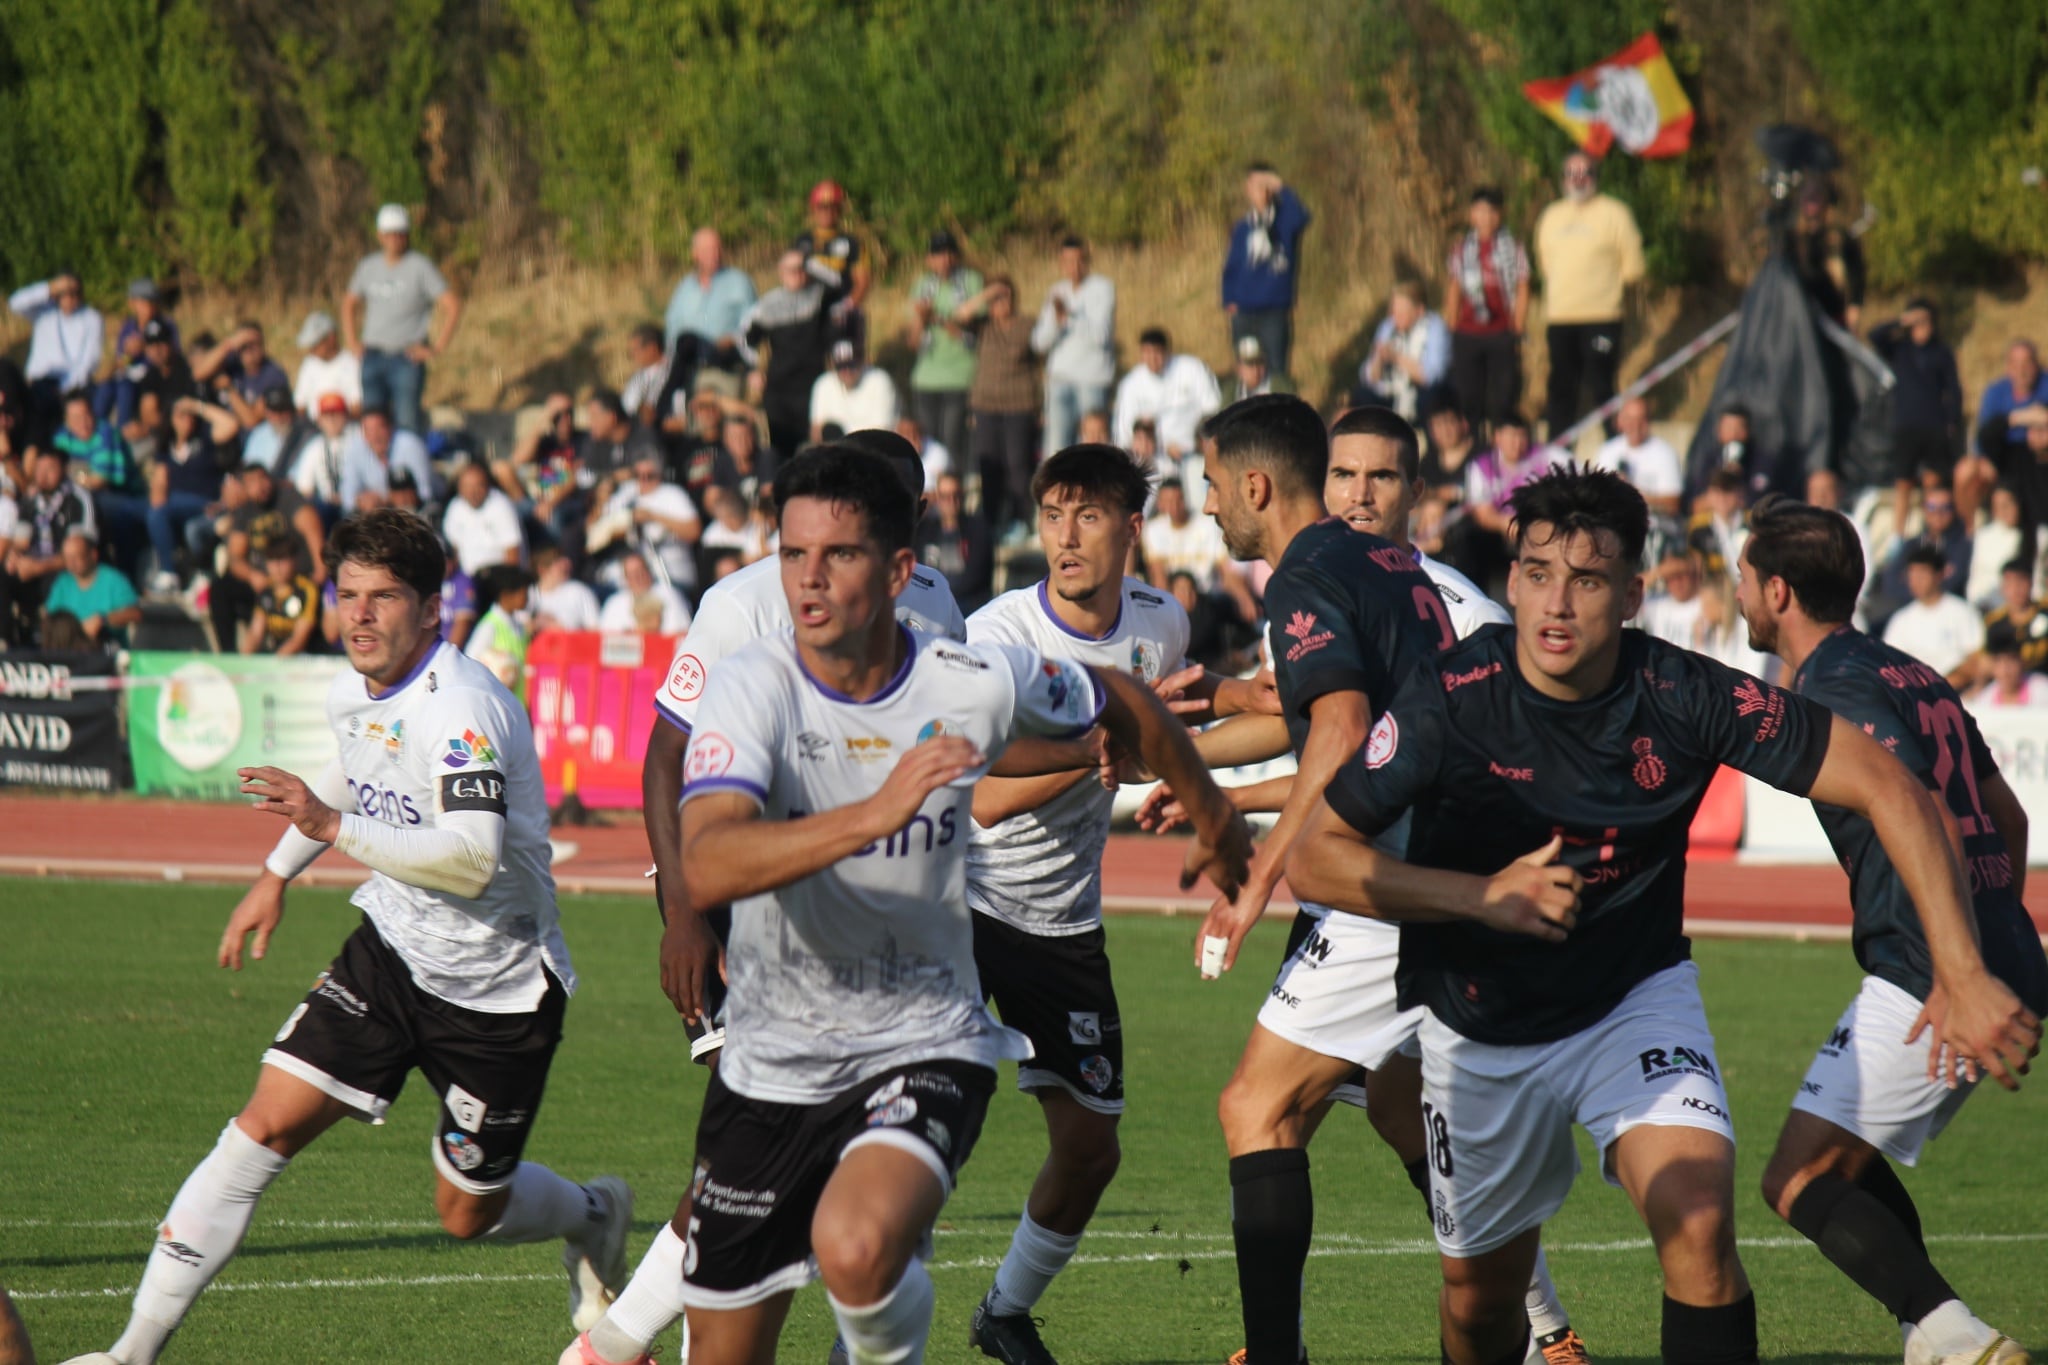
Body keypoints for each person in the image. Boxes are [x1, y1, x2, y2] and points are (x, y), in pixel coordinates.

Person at [1285, 465, 2031, 1365]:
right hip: (1478, 1022)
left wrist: (1960, 970)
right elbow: (1315, 854)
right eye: (1536, 573)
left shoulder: (1685, 692)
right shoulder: (1451, 695)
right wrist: (1480, 897)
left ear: (1634, 593)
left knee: (1701, 1220)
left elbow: (1893, 788)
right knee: (1481, 1305)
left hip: (1634, 998)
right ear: (1513, 578)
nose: (1556, 603)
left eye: (1588, 580)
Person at [615, 444, 1247, 1365]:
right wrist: (875, 812)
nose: (808, 580)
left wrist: (1215, 814)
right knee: (725, 1346)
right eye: (794, 556)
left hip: (924, 1038)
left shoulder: (966, 677)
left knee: (857, 1242)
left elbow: (1121, 699)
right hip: (774, 1059)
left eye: (838, 556)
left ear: (900, 569)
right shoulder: (753, 684)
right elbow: (706, 863)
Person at [65, 509, 633, 1365]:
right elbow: (352, 763)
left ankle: (593, 1215)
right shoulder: (351, 688)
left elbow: (474, 859)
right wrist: (274, 873)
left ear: (433, 610)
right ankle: (130, 1352)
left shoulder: (465, 708)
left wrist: (329, 826)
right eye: (348, 595)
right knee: (261, 1126)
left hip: (497, 988)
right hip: (392, 950)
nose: (360, 616)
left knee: (466, 1212)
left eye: (384, 598)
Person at [1143, 406, 1582, 1365]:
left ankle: (1278, 1354)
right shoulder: (1388, 566)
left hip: (1396, 872)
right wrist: (1200, 760)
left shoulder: (1309, 570)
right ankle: (1535, 1326)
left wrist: (1256, 874)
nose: (1207, 506)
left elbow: (1339, 734)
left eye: (1213, 485)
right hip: (1448, 858)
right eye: (1348, 473)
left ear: (1255, 487)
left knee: (1256, 1107)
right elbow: (1334, 721)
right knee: (1396, 1101)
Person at [576, 434, 968, 1365]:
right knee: (751, 1166)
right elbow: (667, 752)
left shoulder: (939, 601)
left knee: (868, 1185)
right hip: (746, 912)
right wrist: (681, 911)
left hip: (890, 933)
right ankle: (614, 1348)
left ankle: (617, 1349)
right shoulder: (744, 602)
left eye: (897, 510)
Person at [1733, 496, 2044, 1365]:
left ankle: (1960, 1337)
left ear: (1780, 592)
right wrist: (1992, 933)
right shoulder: (1912, 670)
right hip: (1983, 952)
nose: (1740, 594)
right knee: (1846, 1154)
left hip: (1931, 967)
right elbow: (2006, 818)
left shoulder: (1833, 686)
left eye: (1746, 579)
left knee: (1794, 1179)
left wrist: (1958, 969)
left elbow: (1937, 821)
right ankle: (1930, 1333)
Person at [958, 442, 1248, 1361]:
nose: (1065, 537)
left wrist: (1208, 747)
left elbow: (1166, 719)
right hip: (959, 910)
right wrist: (1100, 749)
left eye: (1087, 516)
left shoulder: (1160, 624)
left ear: (1132, 527)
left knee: (1091, 1149)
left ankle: (1002, 1312)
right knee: (919, 1135)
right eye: (1051, 514)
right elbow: (985, 795)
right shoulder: (1000, 634)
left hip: (1062, 927)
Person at [1533, 152, 1645, 440]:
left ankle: (1615, 446)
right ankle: (1557, 451)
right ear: (1562, 179)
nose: (1578, 179)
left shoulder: (1615, 213)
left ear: (1596, 177)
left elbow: (1633, 267)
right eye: (1571, 173)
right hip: (1561, 317)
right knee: (1561, 386)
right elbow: (1545, 262)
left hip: (1602, 316)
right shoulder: (1551, 216)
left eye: (1585, 173)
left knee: (1601, 383)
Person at [343, 203, 462, 434]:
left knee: (406, 423)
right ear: (380, 236)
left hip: (406, 359)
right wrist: (352, 342)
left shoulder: (420, 267)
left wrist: (436, 347)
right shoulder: (368, 267)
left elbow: (452, 305)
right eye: (390, 234)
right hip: (373, 356)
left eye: (400, 233)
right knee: (373, 423)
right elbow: (349, 303)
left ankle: (406, 468)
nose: (395, 239)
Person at [1870, 300, 1966, 537]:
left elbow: (1953, 389)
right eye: (1919, 322)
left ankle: (1932, 530)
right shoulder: (1900, 349)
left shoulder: (1942, 352)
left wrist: (1952, 421)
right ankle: (1898, 535)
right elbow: (1875, 336)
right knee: (1903, 482)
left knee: (1933, 481)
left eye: (1927, 321)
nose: (1923, 326)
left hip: (1934, 426)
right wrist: (1903, 321)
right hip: (1906, 426)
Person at [211, 460, 324, 653]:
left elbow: (312, 529)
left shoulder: (287, 498)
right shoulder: (245, 511)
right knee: (220, 589)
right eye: (252, 482)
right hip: (266, 580)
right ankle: (229, 655)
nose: (260, 486)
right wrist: (252, 576)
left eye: (263, 479)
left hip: (297, 577)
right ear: (245, 488)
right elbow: (235, 557)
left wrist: (320, 571)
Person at [957, 275, 1039, 538]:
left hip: (1020, 404)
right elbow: (961, 315)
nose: (1000, 303)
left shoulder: (1027, 325)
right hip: (985, 405)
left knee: (1017, 465)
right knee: (988, 466)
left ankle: (1021, 520)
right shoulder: (983, 326)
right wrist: (987, 294)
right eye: (996, 299)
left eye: (1005, 297)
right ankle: (990, 522)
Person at [1444, 188, 1530, 434]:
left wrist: (1518, 327)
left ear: (1500, 214)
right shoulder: (1462, 248)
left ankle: (1500, 444)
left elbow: (1522, 285)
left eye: (1492, 211)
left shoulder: (1512, 247)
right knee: (1468, 396)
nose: (1486, 217)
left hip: (1501, 330)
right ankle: (1473, 446)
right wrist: (1452, 323)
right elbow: (1454, 286)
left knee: (1503, 396)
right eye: (1480, 211)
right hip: (1468, 331)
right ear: (1472, 214)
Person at [1221, 164, 1311, 381]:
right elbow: (1232, 267)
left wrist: (1279, 186)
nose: (1256, 190)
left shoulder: (1285, 221)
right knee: (1246, 368)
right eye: (1253, 185)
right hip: (1243, 310)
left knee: (1276, 368)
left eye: (1261, 185)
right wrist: (1229, 299)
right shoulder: (1243, 226)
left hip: (1273, 310)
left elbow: (1302, 217)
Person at [742, 250, 834, 457]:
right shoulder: (767, 305)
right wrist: (753, 370)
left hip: (813, 385)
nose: (798, 274)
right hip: (779, 389)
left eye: (801, 269)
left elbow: (841, 283)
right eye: (791, 270)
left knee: (812, 450)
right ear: (781, 273)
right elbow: (746, 339)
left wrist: (813, 264)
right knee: (781, 451)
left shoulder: (820, 297)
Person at [1032, 237, 1118, 459]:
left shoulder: (1102, 288)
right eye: (1068, 261)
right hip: (1060, 379)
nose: (1074, 267)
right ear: (1061, 263)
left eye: (1080, 261)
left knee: (1092, 447)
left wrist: (1070, 316)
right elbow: (1039, 342)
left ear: (1087, 261)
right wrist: (1056, 320)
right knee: (1056, 449)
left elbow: (1102, 335)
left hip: (1091, 380)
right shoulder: (1056, 291)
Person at [1, 449, 94, 646]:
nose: (42, 475)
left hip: (63, 568)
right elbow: (20, 541)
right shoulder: (31, 501)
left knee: (59, 581)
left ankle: (57, 641)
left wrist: (38, 567)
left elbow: (80, 551)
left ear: (64, 470)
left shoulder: (78, 499)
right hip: (33, 567)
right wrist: (14, 559)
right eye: (39, 469)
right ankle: (5, 639)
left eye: (50, 469)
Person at [907, 230, 984, 462]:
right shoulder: (922, 285)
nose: (944, 259)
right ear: (929, 259)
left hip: (960, 375)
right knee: (927, 444)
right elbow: (913, 342)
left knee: (953, 441)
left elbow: (971, 330)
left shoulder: (971, 281)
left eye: (949, 253)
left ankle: (953, 491)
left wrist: (937, 318)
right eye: (938, 254)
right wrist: (921, 318)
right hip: (926, 377)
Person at [147, 397, 237, 592]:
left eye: (190, 415)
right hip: (176, 506)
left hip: (206, 501)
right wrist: (158, 491)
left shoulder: (204, 441)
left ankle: (182, 572)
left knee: (179, 520)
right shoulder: (166, 450)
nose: (186, 419)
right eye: (180, 415)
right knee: (157, 514)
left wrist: (197, 406)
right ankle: (168, 572)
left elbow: (231, 425)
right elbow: (159, 487)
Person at [591, 452, 700, 595]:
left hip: (670, 570)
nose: (643, 480)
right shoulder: (626, 495)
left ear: (659, 474)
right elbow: (595, 530)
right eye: (638, 475)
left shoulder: (672, 494)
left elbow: (694, 531)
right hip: (635, 570)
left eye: (649, 476)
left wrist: (652, 516)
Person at [10, 270, 104, 431]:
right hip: (41, 382)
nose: (70, 298)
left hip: (74, 385)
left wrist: (65, 389)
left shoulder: (91, 318)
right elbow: (15, 303)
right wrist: (49, 288)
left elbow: (89, 360)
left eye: (74, 293)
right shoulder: (43, 313)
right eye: (65, 293)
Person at [1112, 328, 1221, 463]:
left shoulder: (1192, 369)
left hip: (1193, 453)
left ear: (1167, 351)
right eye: (1147, 353)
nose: (1152, 359)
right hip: (1152, 458)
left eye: (1157, 352)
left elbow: (1212, 409)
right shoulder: (1131, 384)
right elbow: (1124, 431)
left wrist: (1196, 444)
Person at [663, 227, 756, 387]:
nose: (714, 254)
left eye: (717, 248)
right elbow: (672, 326)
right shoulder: (684, 287)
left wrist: (734, 338)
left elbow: (754, 324)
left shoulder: (739, 282)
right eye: (707, 250)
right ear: (695, 254)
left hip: (724, 366)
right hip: (689, 368)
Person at [1353, 281, 1452, 424]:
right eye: (1394, 312)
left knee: (1430, 398)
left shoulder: (1435, 328)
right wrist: (1379, 360)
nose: (1395, 318)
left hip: (1422, 390)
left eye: (1401, 313)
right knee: (1363, 395)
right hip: (1391, 387)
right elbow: (1368, 376)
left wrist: (1396, 357)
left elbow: (1431, 376)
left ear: (1419, 310)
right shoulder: (1387, 326)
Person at [1882, 544, 1985, 682]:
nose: (1916, 581)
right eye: (1912, 574)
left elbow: (1976, 659)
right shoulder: (1901, 619)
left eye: (1922, 574)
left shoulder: (1962, 611)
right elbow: (1890, 663)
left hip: (1955, 690)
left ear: (1939, 575)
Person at [794, 180, 870, 343]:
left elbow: (862, 282)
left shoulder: (852, 243)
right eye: (822, 206)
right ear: (813, 208)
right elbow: (790, 278)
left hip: (841, 314)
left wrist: (846, 307)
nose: (827, 212)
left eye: (833, 206)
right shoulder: (801, 242)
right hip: (809, 313)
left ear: (840, 210)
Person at [42, 527, 141, 650]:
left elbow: (135, 614)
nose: (71, 564)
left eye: (77, 557)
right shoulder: (63, 582)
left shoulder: (114, 580)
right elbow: (49, 616)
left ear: (93, 555)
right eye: (67, 558)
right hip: (67, 650)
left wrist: (103, 620)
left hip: (104, 649)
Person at [915, 469, 994, 615]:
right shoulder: (924, 531)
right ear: (937, 498)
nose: (951, 502)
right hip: (929, 605)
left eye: (955, 495)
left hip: (966, 607)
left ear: (962, 497)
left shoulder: (978, 530)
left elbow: (975, 578)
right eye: (945, 497)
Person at [1590, 396, 1683, 517]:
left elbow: (1673, 504)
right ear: (1620, 421)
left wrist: (1631, 493)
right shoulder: (1607, 451)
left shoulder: (1665, 454)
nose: (1635, 425)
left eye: (1641, 419)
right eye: (1630, 419)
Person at [1789, 182, 1865, 330]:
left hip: (1834, 310)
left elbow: (1857, 272)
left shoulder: (1839, 238)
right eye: (1808, 201)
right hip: (1801, 312)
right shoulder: (1794, 241)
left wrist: (1855, 304)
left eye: (1815, 201)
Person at [340, 406, 437, 512]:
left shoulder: (411, 445)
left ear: (391, 427)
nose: (375, 436)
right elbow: (347, 495)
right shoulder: (355, 448)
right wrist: (360, 500)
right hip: (376, 512)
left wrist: (385, 500)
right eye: (368, 430)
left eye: (379, 428)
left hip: (413, 510)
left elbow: (425, 492)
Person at [193, 322, 290, 427]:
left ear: (263, 345)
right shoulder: (232, 362)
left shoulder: (273, 375)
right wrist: (228, 345)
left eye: (254, 345)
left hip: (252, 438)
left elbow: (252, 421)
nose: (249, 350)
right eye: (244, 345)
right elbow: (197, 374)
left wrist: (229, 390)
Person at [1141, 479, 1229, 593]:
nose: (1173, 507)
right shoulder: (1153, 530)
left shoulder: (1209, 525)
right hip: (1172, 597)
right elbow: (1159, 577)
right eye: (1167, 501)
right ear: (1160, 504)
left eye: (1178, 500)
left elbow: (1226, 570)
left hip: (1206, 596)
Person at [241, 535, 321, 656]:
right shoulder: (266, 592)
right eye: (272, 560)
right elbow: (255, 633)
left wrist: (275, 666)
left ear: (294, 560)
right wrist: (243, 659)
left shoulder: (306, 590)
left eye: (282, 559)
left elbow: (299, 640)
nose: (277, 567)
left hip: (306, 656)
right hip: (277, 655)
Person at [443, 460, 526, 576]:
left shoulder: (501, 506)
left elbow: (513, 554)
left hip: (498, 575)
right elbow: (456, 547)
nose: (472, 492)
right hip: (469, 579)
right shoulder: (455, 508)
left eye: (478, 486)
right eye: (467, 486)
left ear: (487, 485)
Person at [466, 562, 536, 699]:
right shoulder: (489, 626)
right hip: (500, 704)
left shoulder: (520, 626)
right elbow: (471, 659)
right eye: (524, 593)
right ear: (506, 595)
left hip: (518, 705)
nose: (527, 598)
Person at [809, 340, 898, 443]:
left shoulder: (880, 380)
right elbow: (816, 432)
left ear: (862, 361)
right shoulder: (823, 384)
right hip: (836, 451)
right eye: (840, 366)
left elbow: (882, 432)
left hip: (873, 451)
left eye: (851, 364)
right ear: (833, 366)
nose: (846, 371)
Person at [596, 549, 691, 635]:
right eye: (631, 574)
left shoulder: (669, 595)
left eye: (640, 571)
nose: (637, 578)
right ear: (625, 578)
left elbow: (682, 633)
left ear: (648, 571)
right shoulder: (614, 604)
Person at [1966, 485, 2030, 611]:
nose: (2005, 511)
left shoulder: (2031, 536)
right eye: (1998, 507)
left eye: (2008, 504)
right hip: (1983, 604)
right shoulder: (1984, 536)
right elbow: (1976, 574)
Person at [292, 311, 363, 419]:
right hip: (313, 427)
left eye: (315, 344)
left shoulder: (352, 364)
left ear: (331, 338)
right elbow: (300, 405)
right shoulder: (309, 364)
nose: (311, 350)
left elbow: (356, 407)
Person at [1635, 548, 1705, 648]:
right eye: (1671, 576)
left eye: (1682, 575)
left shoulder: (1706, 604)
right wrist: (1659, 571)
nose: (1677, 582)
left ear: (1693, 574)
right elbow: (1626, 591)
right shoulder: (1657, 604)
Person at [240, 385, 310, 476]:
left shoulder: (304, 435)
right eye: (274, 412)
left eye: (283, 411)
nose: (278, 417)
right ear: (266, 412)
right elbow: (249, 467)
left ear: (292, 411)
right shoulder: (259, 434)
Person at [531, 545, 600, 634]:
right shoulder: (528, 595)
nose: (566, 563)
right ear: (542, 570)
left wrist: (560, 627)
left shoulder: (579, 591)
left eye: (565, 559)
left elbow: (594, 630)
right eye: (558, 562)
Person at [621, 323, 672, 426]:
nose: (632, 356)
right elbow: (628, 405)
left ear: (652, 348)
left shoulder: (674, 371)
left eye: (635, 350)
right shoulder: (637, 377)